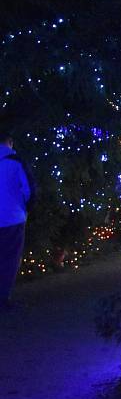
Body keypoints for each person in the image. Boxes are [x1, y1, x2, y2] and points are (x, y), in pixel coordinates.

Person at [0, 130, 31, 309]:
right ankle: (3, 299)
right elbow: (29, 190)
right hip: (12, 219)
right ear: (9, 141)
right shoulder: (16, 162)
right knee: (9, 259)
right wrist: (25, 209)